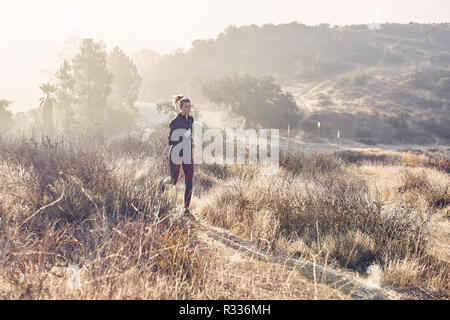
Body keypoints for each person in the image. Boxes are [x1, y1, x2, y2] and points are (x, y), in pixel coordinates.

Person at [159, 95, 195, 215]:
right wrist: (184, 137)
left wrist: (191, 142)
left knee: (189, 181)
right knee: (173, 180)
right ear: (180, 108)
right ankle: (163, 181)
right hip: (175, 153)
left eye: (190, 107)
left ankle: (186, 209)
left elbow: (190, 134)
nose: (188, 109)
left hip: (187, 153)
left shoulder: (191, 119)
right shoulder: (175, 122)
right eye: (186, 107)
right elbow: (170, 141)